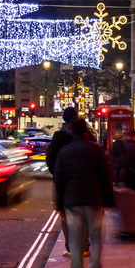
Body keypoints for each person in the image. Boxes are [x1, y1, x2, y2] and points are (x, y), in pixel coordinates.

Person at [52, 119, 114, 268]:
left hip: (73, 202)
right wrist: (109, 200)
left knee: (75, 239)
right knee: (96, 237)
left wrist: (59, 205)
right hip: (95, 200)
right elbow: (106, 177)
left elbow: (58, 180)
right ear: (86, 132)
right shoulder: (97, 150)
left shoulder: (65, 152)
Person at [46, 107, 82, 257]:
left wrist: (57, 175)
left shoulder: (58, 137)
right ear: (75, 118)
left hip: (64, 182)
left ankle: (70, 247)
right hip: (81, 180)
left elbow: (50, 159)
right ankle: (83, 245)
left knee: (66, 215)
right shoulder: (83, 134)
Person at [111, 129, 135, 240]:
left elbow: (121, 163)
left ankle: (128, 228)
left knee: (126, 207)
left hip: (128, 180)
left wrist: (118, 179)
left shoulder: (126, 148)